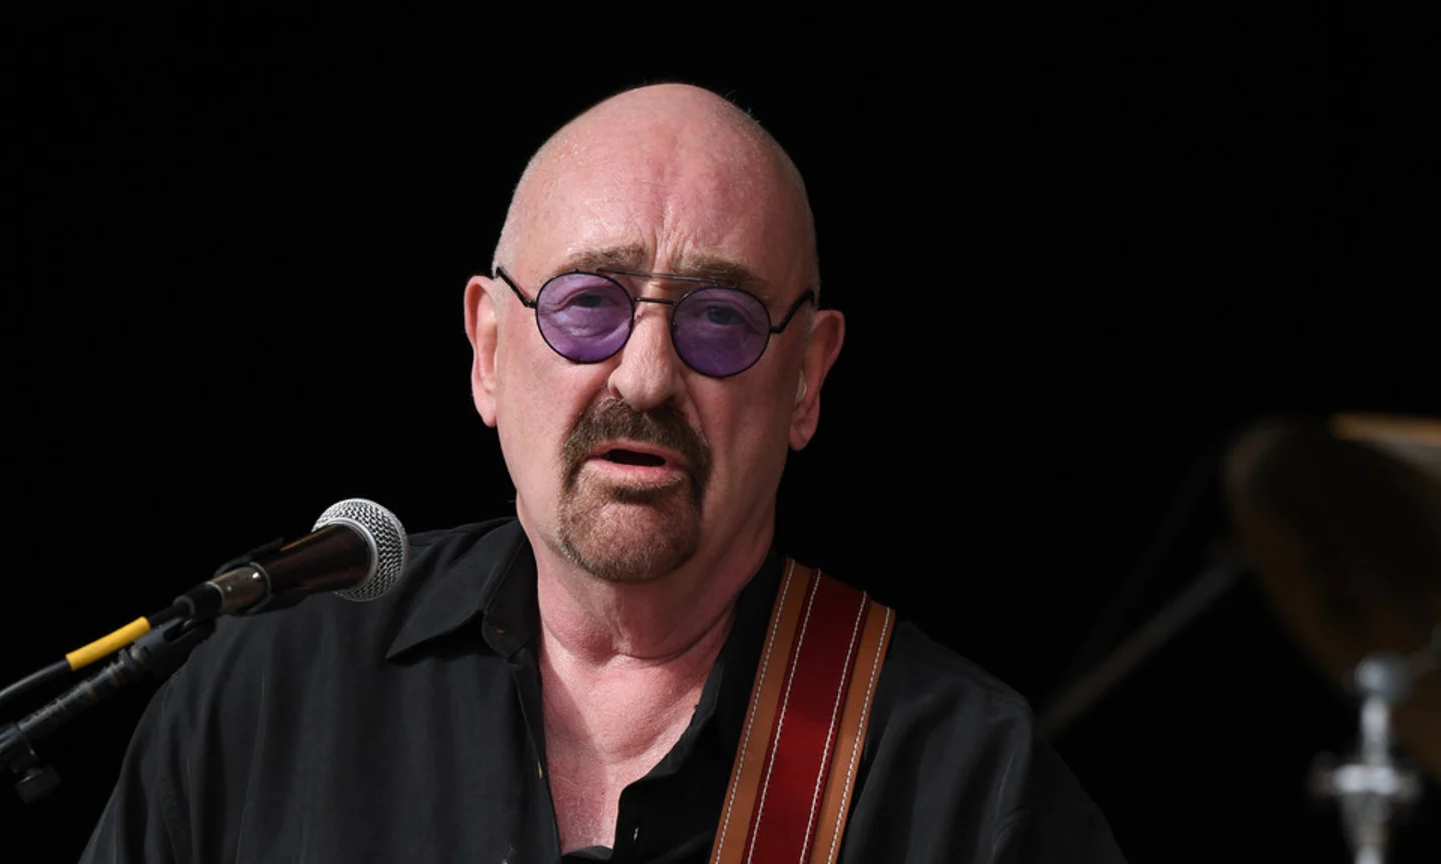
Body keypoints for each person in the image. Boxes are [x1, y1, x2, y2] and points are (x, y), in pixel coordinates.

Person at [79, 83, 1127, 863]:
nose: (648, 375)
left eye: (720, 319)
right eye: (589, 304)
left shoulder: (965, 781)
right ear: (490, 352)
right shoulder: (262, 698)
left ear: (807, 380)